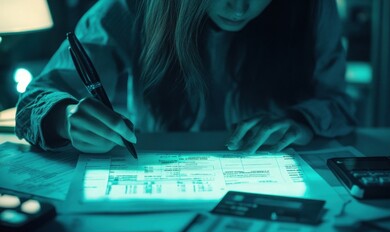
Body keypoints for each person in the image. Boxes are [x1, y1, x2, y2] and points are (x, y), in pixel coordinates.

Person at [15, 0, 356, 154]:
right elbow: (32, 103)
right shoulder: (133, 7)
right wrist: (66, 117)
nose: (239, 8)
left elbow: (339, 103)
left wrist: (300, 121)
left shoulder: (311, 8)